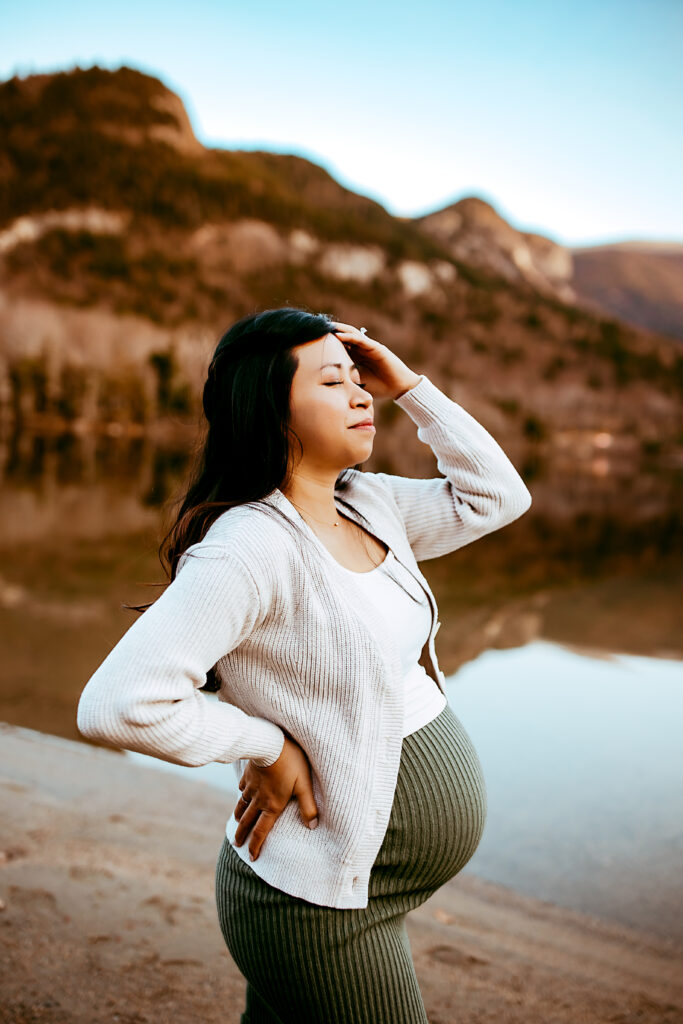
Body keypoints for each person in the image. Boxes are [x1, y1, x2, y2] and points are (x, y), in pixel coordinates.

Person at [76, 306, 532, 1023]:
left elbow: (498, 497)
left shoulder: (370, 503)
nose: (360, 396)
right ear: (270, 406)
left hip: (360, 891)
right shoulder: (250, 547)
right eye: (333, 382)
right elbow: (119, 703)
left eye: (361, 380)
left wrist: (409, 386)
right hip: (315, 907)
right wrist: (264, 744)